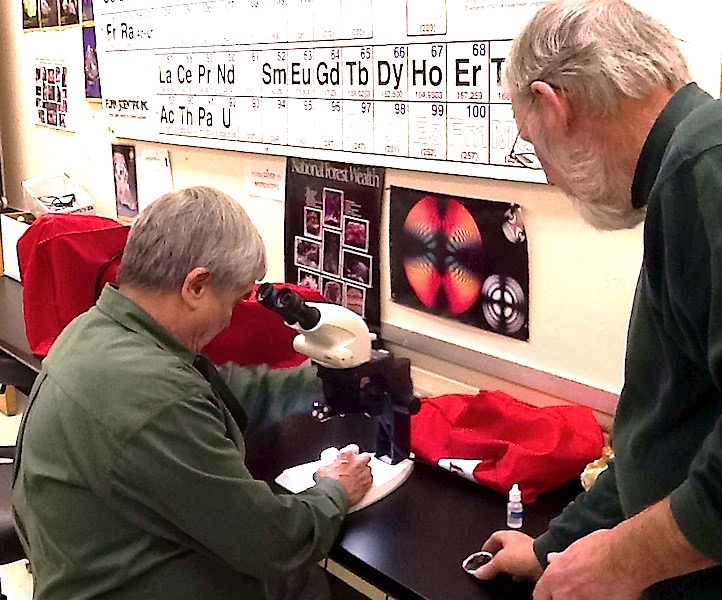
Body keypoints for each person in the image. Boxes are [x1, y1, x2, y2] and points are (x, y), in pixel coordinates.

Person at [472, 1, 722, 599]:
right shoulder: (683, 168)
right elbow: (666, 424)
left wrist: (620, 562)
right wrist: (552, 548)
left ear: (554, 105)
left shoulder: (701, 169)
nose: (552, 178)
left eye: (534, 147)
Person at [12, 186, 373, 599]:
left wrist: (322, 381)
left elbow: (219, 389)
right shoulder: (156, 396)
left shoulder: (95, 331)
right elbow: (275, 543)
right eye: (234, 301)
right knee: (305, 579)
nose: (230, 317)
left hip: (85, 563)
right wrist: (335, 489)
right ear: (196, 285)